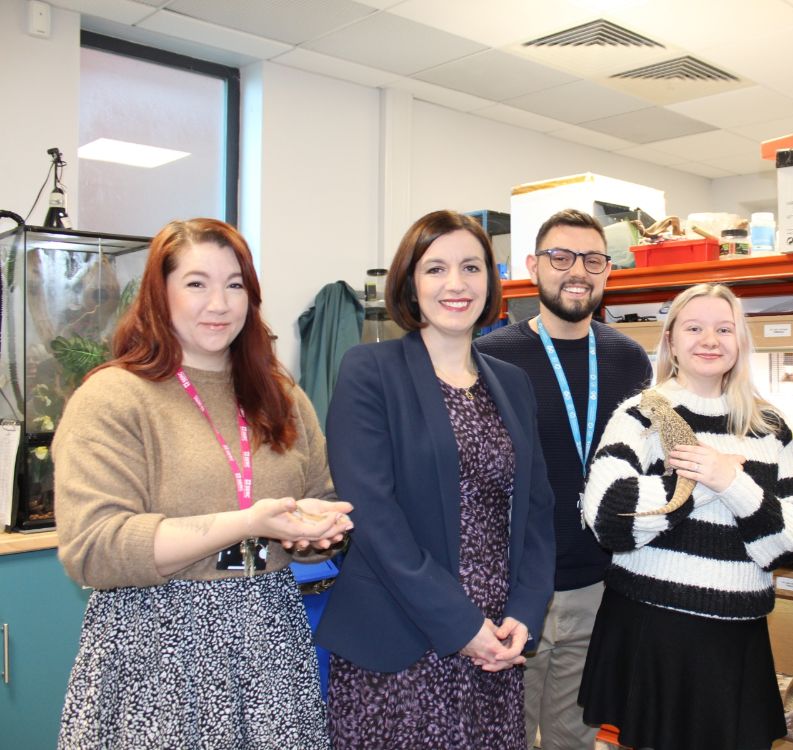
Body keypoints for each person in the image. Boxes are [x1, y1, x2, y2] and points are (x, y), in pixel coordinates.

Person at [53, 218, 353, 749]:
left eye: (235, 284)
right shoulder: (114, 398)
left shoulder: (282, 397)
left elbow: (322, 501)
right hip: (157, 652)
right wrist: (247, 523)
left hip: (272, 645)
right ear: (158, 293)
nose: (220, 303)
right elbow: (95, 549)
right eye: (197, 283)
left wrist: (316, 533)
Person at [316, 209, 555, 749]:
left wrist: (524, 611)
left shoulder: (513, 384)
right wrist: (460, 626)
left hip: (497, 643)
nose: (456, 284)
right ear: (410, 282)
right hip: (403, 641)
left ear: (491, 282)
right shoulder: (369, 371)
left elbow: (536, 511)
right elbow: (374, 517)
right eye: (436, 269)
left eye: (471, 268)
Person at [579, 283, 793, 750]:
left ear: (740, 342)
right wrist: (702, 482)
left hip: (734, 635)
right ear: (671, 340)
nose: (709, 340)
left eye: (723, 329)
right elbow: (607, 515)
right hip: (652, 626)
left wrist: (731, 482)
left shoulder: (769, 427)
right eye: (694, 328)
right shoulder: (641, 414)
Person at [475, 208, 652, 750]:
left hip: (600, 586)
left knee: (574, 738)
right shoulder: (488, 356)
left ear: (607, 271)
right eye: (561, 256)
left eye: (593, 259)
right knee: (499, 736)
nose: (578, 270)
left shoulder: (629, 358)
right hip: (509, 591)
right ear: (533, 266)